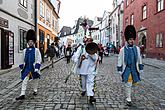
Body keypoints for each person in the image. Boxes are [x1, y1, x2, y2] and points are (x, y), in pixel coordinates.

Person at [117, 25, 144, 106]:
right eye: (130, 39)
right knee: (128, 84)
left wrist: (140, 67)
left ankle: (129, 94)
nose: (131, 41)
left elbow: (139, 59)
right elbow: (120, 60)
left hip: (134, 69)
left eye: (132, 39)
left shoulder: (137, 49)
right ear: (127, 40)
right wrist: (119, 69)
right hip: (127, 69)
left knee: (133, 84)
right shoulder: (123, 50)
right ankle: (128, 98)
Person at [15, 29, 42, 100]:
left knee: (35, 79)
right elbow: (22, 59)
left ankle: (35, 90)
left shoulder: (36, 50)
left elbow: (38, 59)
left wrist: (37, 67)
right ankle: (22, 94)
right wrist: (21, 67)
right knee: (24, 80)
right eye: (29, 41)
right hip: (26, 68)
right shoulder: (24, 50)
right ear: (27, 42)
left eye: (31, 41)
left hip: (34, 68)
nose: (30, 43)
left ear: (34, 42)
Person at [72, 38, 99, 103]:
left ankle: (91, 96)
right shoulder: (81, 48)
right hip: (83, 69)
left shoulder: (93, 48)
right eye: (88, 41)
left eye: (90, 41)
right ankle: (84, 90)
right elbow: (76, 55)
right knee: (83, 82)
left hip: (91, 69)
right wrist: (77, 59)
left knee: (90, 82)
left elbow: (96, 58)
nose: (89, 42)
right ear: (85, 42)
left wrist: (90, 54)